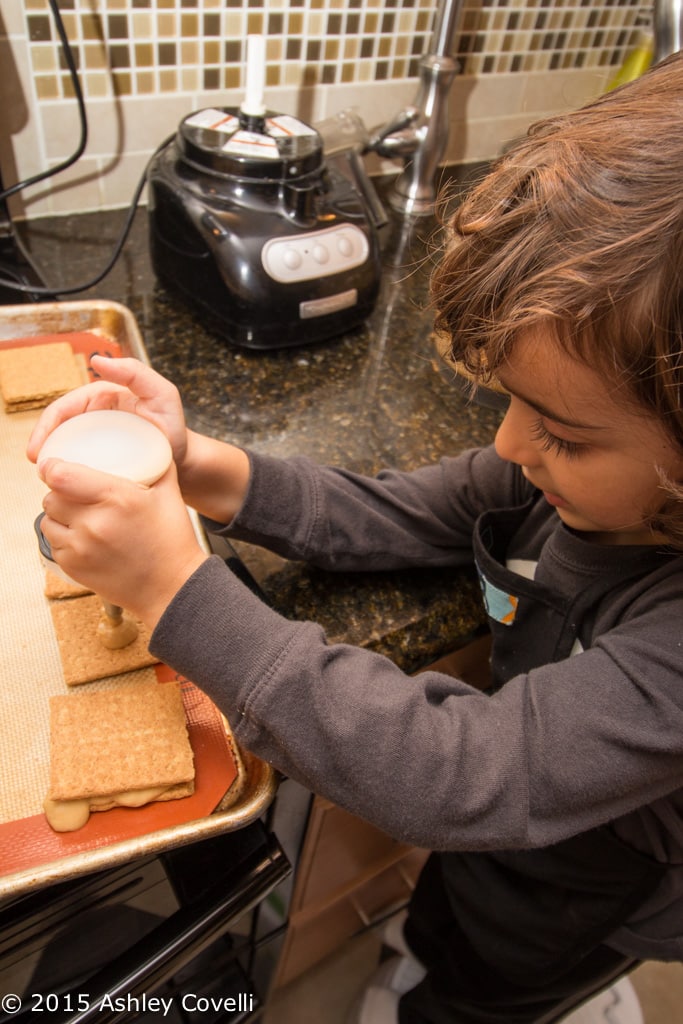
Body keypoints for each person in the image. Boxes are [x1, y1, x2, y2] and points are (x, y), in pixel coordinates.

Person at [28, 52, 683, 1024]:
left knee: (488, 985)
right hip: (507, 843)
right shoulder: (568, 474)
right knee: (452, 913)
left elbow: (465, 771)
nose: (506, 444)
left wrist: (176, 591)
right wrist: (203, 466)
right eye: (507, 404)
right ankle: (428, 955)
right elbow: (398, 510)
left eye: (560, 431)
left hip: (594, 886)